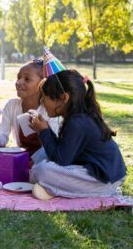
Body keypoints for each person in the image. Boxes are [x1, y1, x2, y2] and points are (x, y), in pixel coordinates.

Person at [29, 48, 126, 200]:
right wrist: (45, 129)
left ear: (63, 98)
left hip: (104, 181)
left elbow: (61, 160)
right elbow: (63, 152)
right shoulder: (78, 117)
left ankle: (55, 189)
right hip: (94, 172)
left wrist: (44, 131)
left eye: (45, 97)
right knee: (41, 155)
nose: (42, 102)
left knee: (42, 170)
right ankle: (53, 188)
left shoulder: (77, 122)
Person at [0, 58, 61, 157]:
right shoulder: (12, 105)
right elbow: (1, 142)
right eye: (18, 77)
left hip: (44, 157)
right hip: (21, 155)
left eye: (27, 79)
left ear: (42, 84)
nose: (18, 82)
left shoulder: (49, 109)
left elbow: (53, 147)